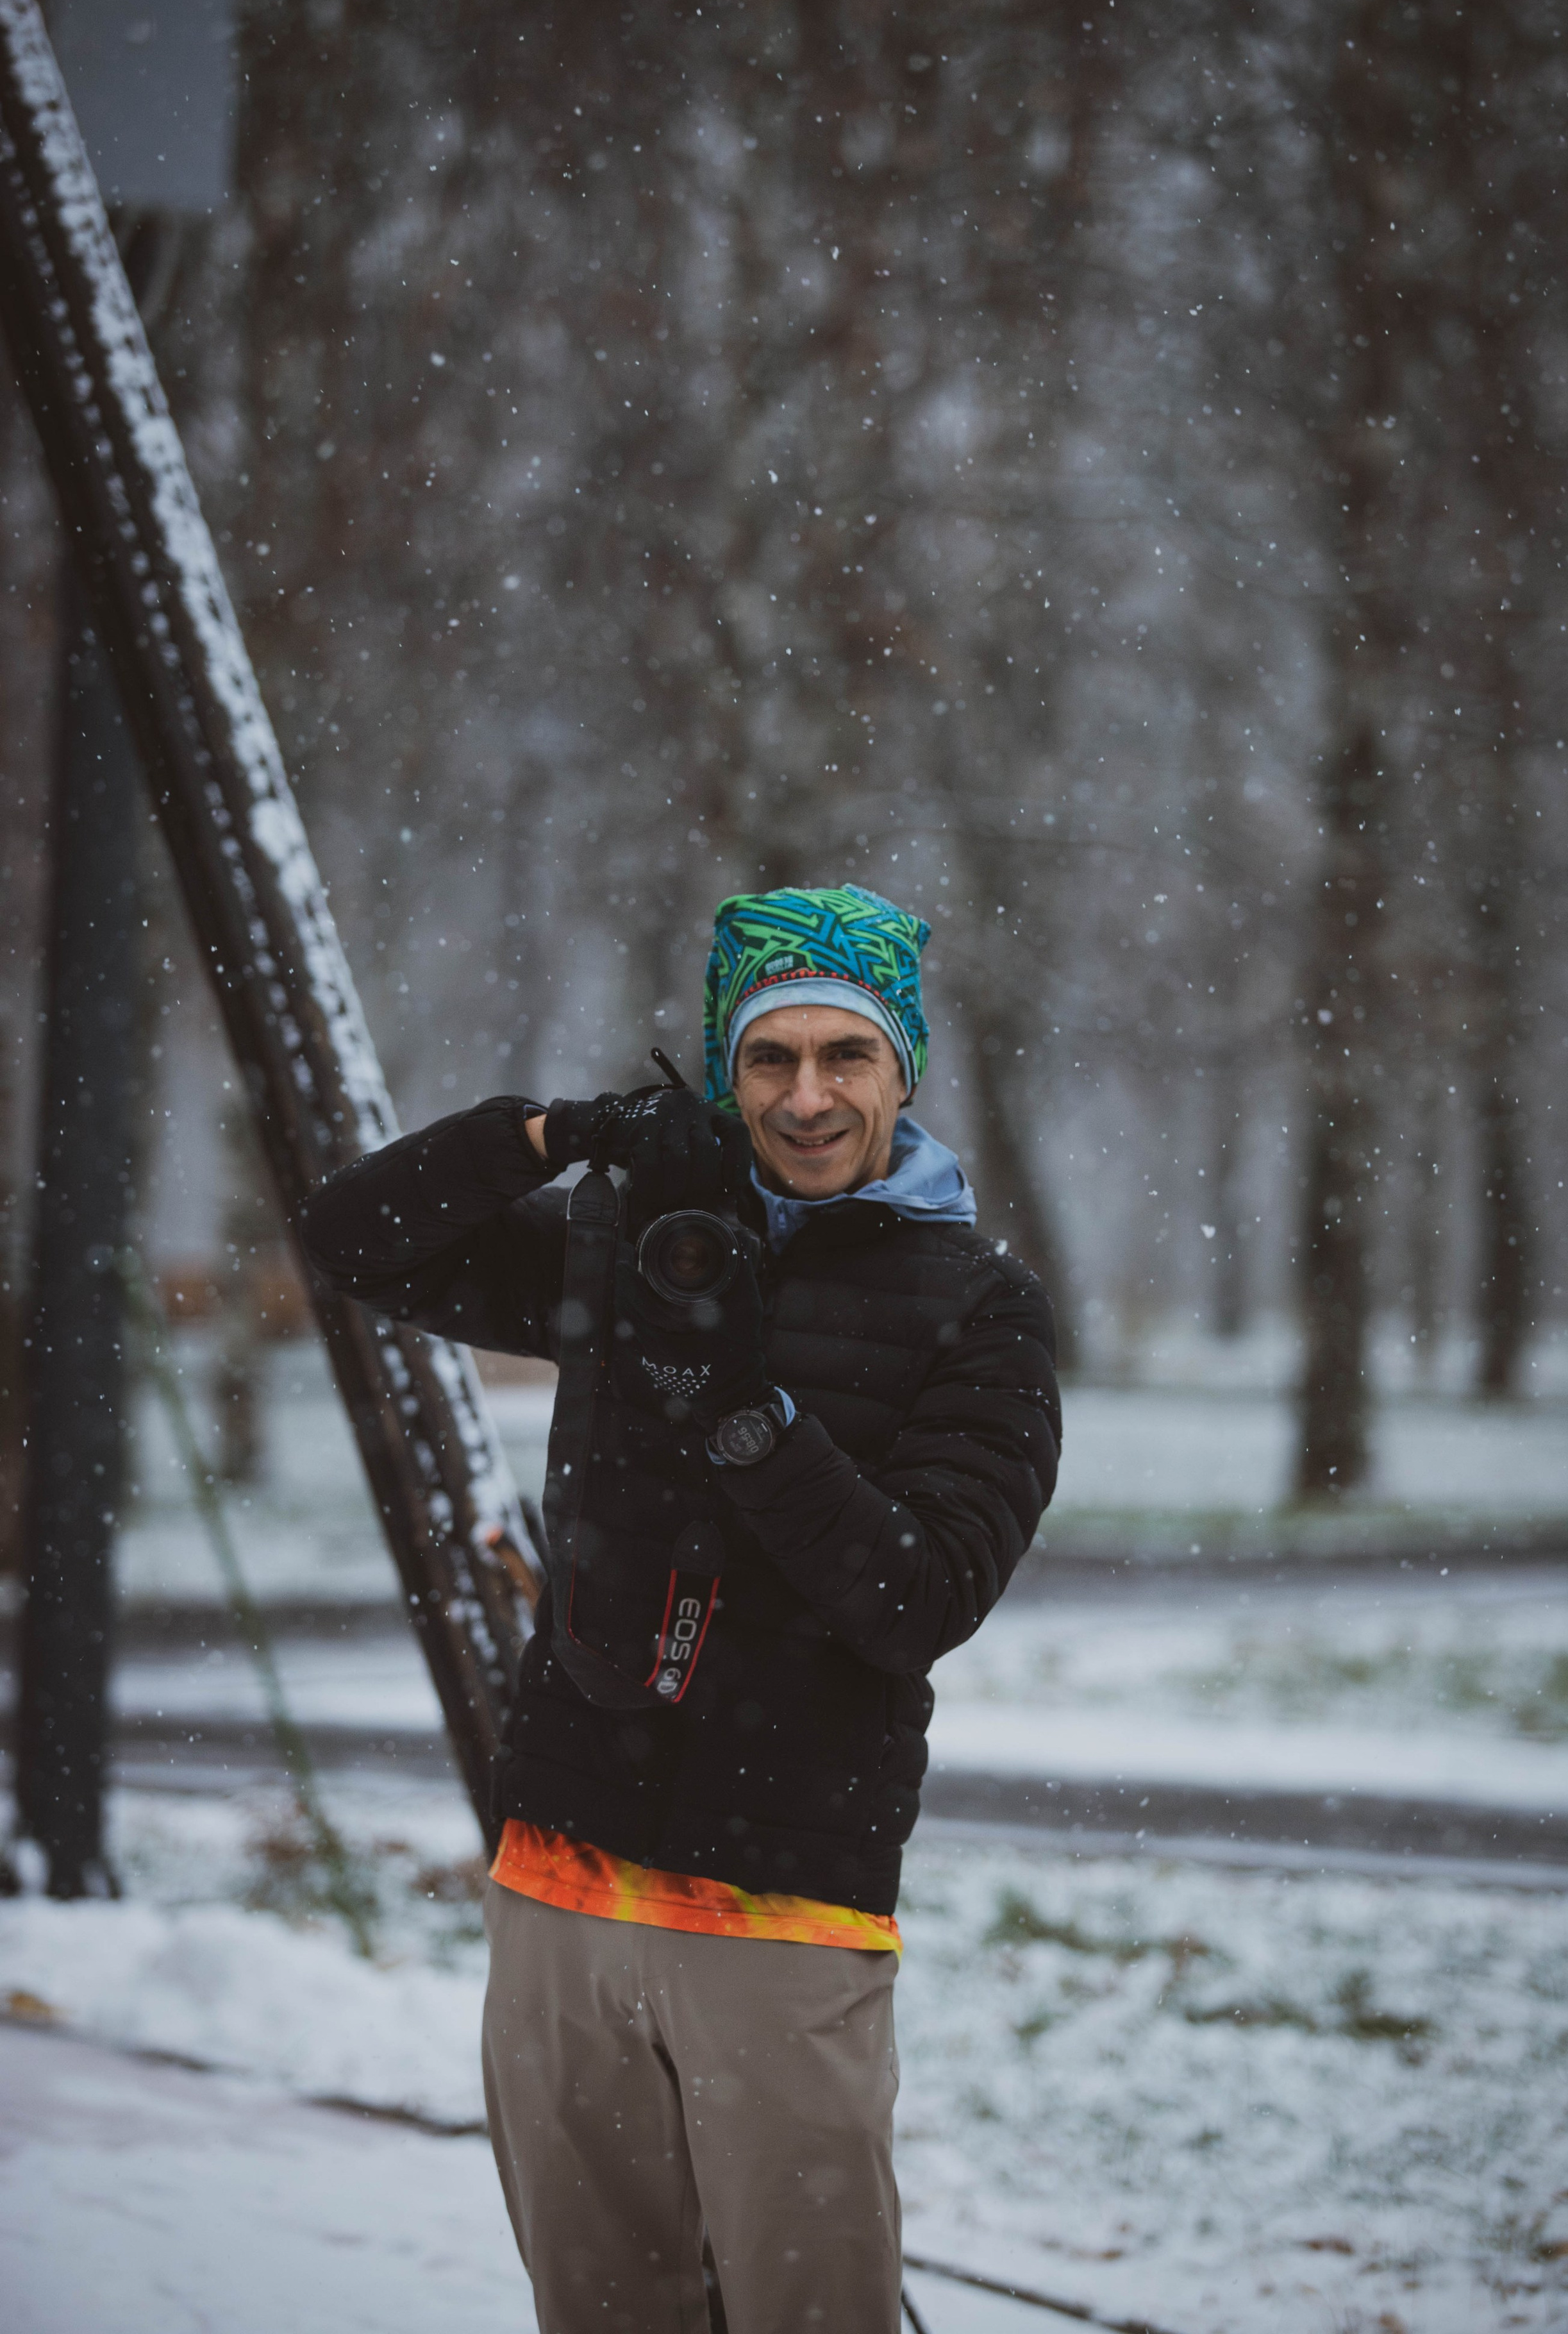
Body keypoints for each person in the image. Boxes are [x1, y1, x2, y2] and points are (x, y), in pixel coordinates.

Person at [300, 882, 1060, 2334]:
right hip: (561, 1878)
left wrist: (740, 1412)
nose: (808, 1097)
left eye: (848, 1056)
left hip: (783, 1904)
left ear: (904, 1069)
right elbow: (350, 1238)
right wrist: (558, 1134)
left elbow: (919, 1595)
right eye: (769, 1059)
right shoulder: (631, 1242)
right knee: (599, 2310)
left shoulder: (979, 1306)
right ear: (724, 1073)